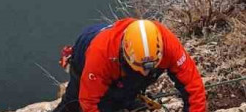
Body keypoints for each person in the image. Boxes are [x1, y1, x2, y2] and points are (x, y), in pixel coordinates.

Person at [53, 18, 206, 112]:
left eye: (150, 67)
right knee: (73, 102)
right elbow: (89, 102)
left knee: (128, 91)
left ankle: (125, 99)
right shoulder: (101, 55)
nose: (145, 73)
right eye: (141, 67)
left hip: (121, 65)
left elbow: (192, 85)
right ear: (125, 53)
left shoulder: (168, 45)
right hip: (86, 50)